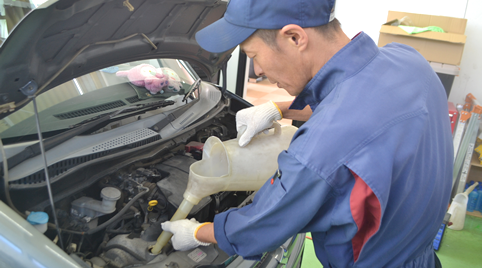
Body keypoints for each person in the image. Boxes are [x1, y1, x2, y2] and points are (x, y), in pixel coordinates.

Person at [161, 0, 453, 267]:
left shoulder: (317, 153)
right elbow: (364, 106)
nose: (258, 70)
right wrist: (280, 109)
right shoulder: (406, 60)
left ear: (295, 37)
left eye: (253, 56)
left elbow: (265, 222)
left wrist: (199, 231)